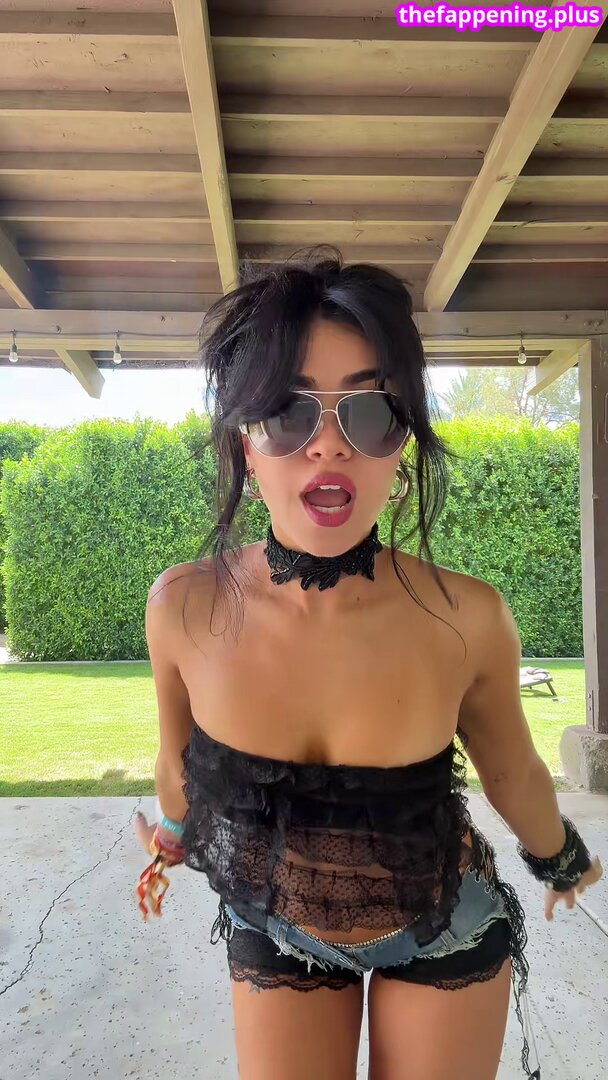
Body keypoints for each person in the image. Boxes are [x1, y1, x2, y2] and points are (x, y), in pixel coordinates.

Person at [135, 248, 602, 1080]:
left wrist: (561, 858)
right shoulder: (182, 606)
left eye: (371, 410)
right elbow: (179, 763)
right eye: (288, 411)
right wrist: (172, 838)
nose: (328, 445)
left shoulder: (467, 617)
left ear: (402, 439)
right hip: (275, 926)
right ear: (246, 442)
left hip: (444, 928)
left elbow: (512, 769)